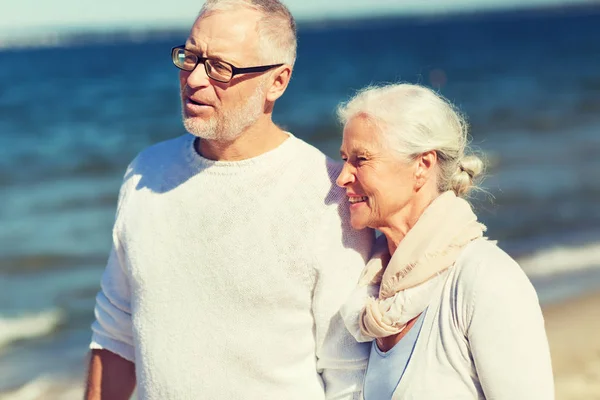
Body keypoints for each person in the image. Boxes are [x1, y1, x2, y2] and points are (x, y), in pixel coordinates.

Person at [84, 1, 374, 399]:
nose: (195, 79)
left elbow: (348, 373)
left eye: (221, 67)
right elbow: (116, 333)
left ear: (278, 81)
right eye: (191, 57)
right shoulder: (145, 173)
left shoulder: (327, 195)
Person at [336, 83, 554, 399]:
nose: (342, 177)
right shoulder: (374, 291)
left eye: (360, 159)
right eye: (344, 158)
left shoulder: (484, 279)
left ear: (422, 166)